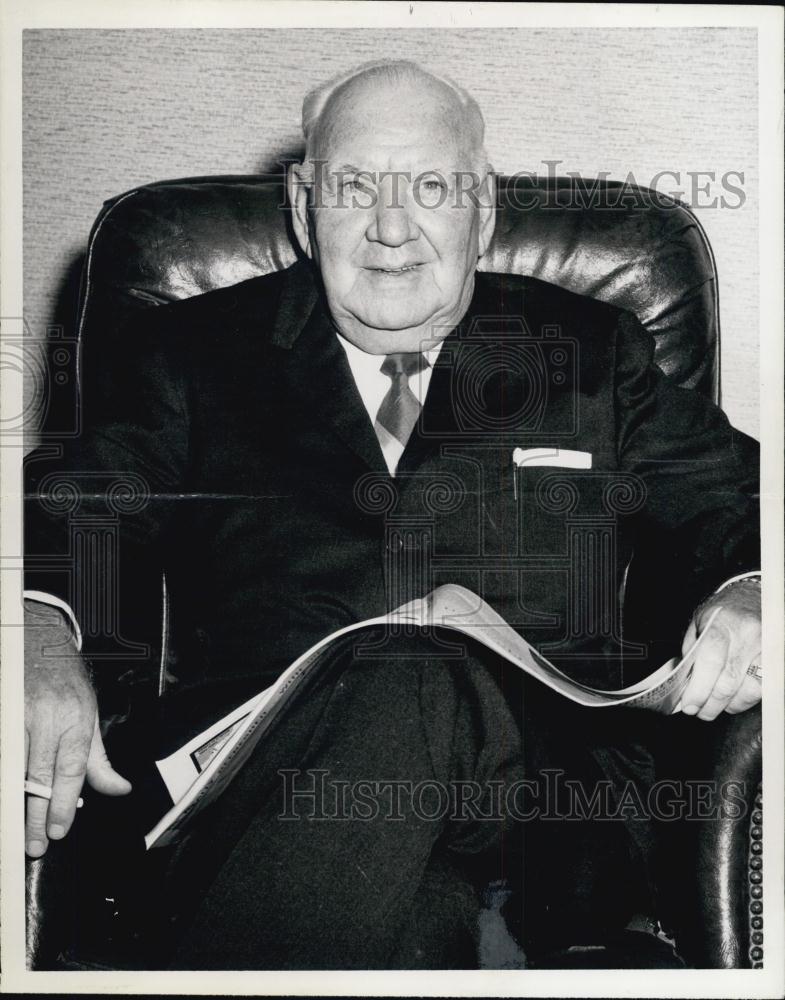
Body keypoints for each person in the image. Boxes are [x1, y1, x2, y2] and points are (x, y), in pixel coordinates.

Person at [24, 60, 761, 968]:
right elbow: (76, 507)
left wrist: (751, 586)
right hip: (258, 790)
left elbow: (735, 496)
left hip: (546, 808)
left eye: (431, 187)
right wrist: (37, 628)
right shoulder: (191, 353)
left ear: (482, 209)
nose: (391, 226)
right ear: (303, 208)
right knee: (411, 904)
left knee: (414, 666)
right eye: (353, 188)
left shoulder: (587, 350)